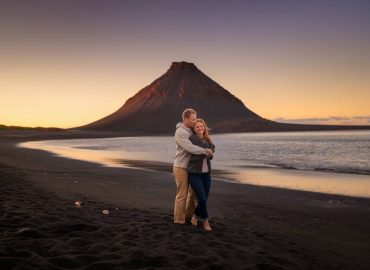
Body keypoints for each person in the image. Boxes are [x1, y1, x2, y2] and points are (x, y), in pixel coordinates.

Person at [173, 108, 213, 224]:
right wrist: (206, 151)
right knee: (182, 194)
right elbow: (190, 148)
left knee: (192, 194)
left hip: (192, 167)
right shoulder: (180, 132)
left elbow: (201, 138)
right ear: (186, 119)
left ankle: (189, 217)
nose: (195, 121)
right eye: (193, 119)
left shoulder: (191, 129)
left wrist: (210, 148)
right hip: (181, 166)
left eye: (196, 118)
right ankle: (179, 220)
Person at [187, 118, 215, 232]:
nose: (200, 128)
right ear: (194, 129)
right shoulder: (191, 139)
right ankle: (205, 221)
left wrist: (210, 152)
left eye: (201, 126)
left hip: (206, 174)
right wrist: (206, 151)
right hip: (194, 173)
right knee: (202, 198)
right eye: (197, 127)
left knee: (205, 199)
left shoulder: (207, 139)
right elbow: (194, 152)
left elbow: (212, 150)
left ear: (204, 128)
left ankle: (195, 215)